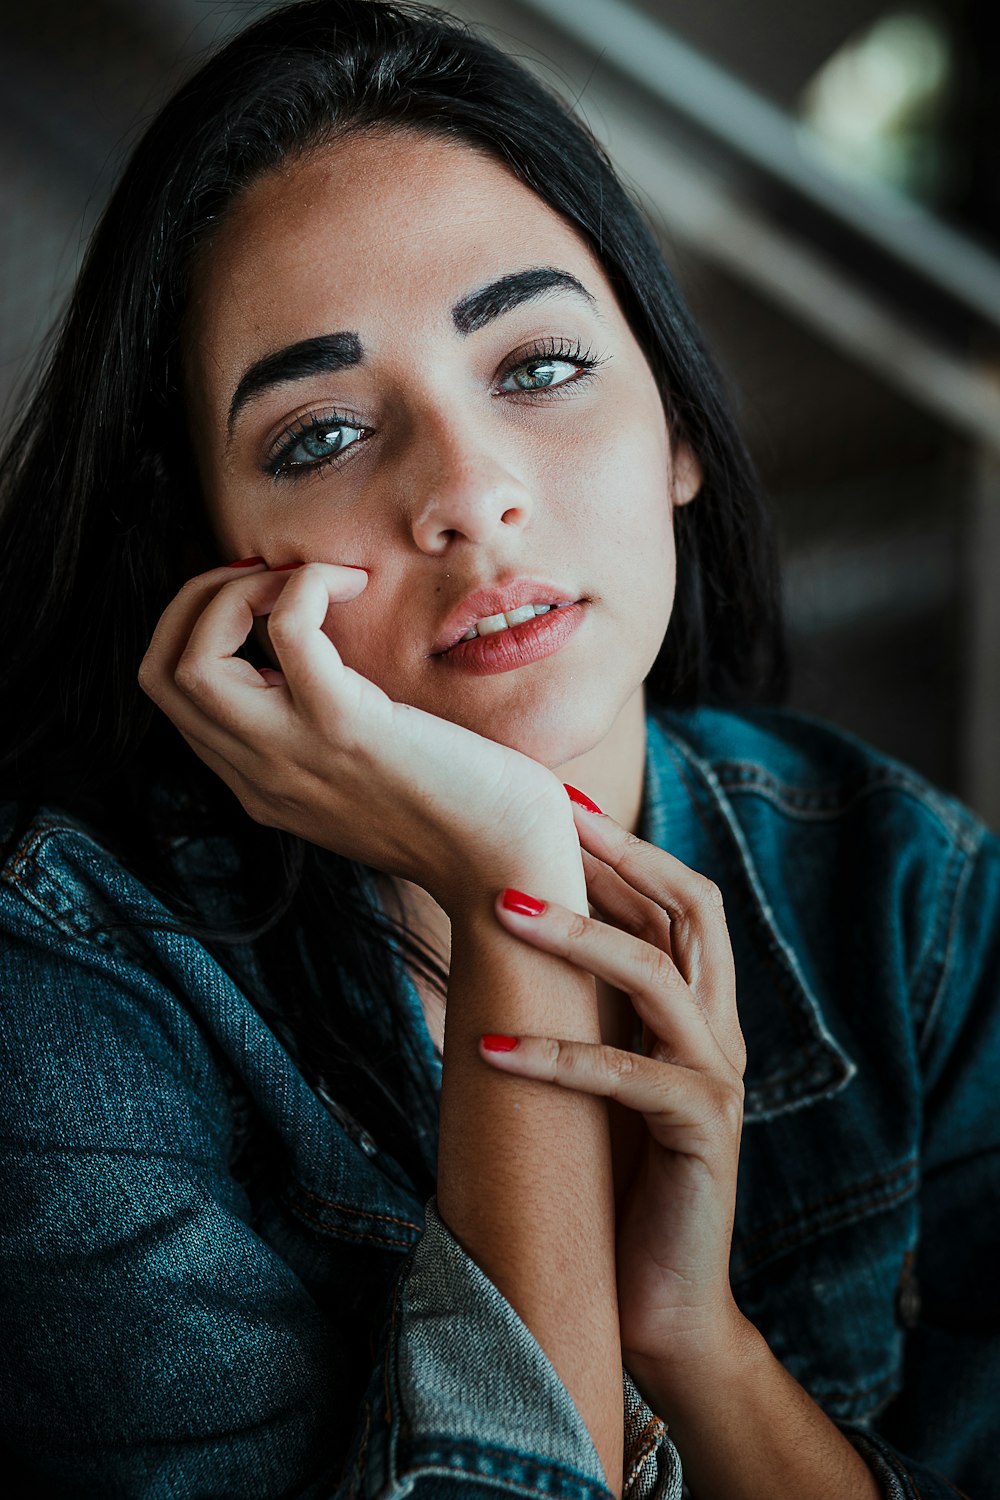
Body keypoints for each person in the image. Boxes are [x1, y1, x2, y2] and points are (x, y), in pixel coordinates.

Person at [0, 1, 995, 1495]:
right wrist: (515, 885)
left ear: (677, 432)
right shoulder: (77, 988)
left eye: (536, 367)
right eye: (321, 436)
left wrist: (694, 1342)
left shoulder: (914, 900)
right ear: (210, 552)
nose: (467, 492)